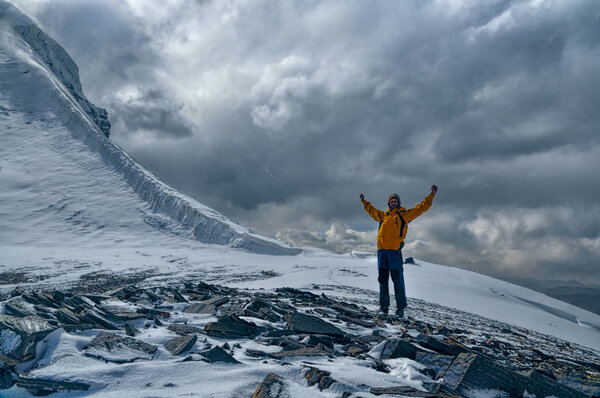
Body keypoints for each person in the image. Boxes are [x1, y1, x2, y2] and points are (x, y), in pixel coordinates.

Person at [360, 185, 438, 317]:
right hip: (382, 253)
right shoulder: (383, 216)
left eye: (395, 201)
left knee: (397, 281)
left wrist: (431, 195)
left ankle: (400, 308)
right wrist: (364, 201)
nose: (393, 203)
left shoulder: (404, 215)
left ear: (398, 203)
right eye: (391, 201)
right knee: (383, 280)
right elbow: (371, 210)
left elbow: (421, 208)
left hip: (394, 253)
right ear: (388, 203)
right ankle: (384, 306)